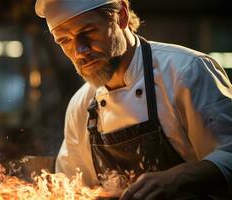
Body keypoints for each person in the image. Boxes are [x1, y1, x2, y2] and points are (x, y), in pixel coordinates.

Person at [35, 0, 232, 199]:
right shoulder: (81, 106)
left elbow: (229, 156)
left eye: (89, 31)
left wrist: (177, 179)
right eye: (64, 41)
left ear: (121, 15)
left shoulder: (185, 71)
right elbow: (71, 187)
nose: (80, 51)